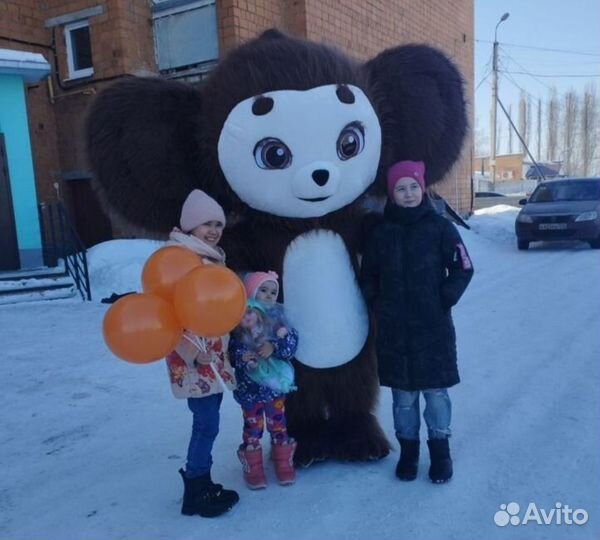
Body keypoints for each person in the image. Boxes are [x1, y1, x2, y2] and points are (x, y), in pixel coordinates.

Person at [360, 160, 474, 484]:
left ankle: (441, 454)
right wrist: (378, 304)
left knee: (436, 394)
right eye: (401, 188)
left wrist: (444, 298)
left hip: (432, 328)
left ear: (422, 189)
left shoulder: (440, 228)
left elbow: (464, 267)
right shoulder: (382, 233)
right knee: (404, 398)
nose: (408, 194)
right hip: (394, 331)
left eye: (413, 187)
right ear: (392, 194)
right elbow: (368, 276)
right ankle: (409, 454)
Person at [164, 189, 239, 517]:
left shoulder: (208, 255)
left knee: (210, 419)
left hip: (214, 355)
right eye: (206, 224)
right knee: (205, 422)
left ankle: (202, 482)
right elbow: (165, 314)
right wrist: (192, 354)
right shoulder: (178, 259)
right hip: (195, 358)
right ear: (190, 226)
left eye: (218, 224)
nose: (213, 230)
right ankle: (195, 489)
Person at [229, 271, 299, 489]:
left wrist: (275, 347)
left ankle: (283, 462)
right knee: (253, 427)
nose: (268, 295)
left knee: (279, 425)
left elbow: (291, 345)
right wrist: (243, 356)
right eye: (263, 290)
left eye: (273, 292)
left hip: (275, 388)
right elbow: (230, 350)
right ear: (251, 291)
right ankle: (254, 466)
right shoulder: (239, 317)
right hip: (250, 388)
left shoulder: (280, 318)